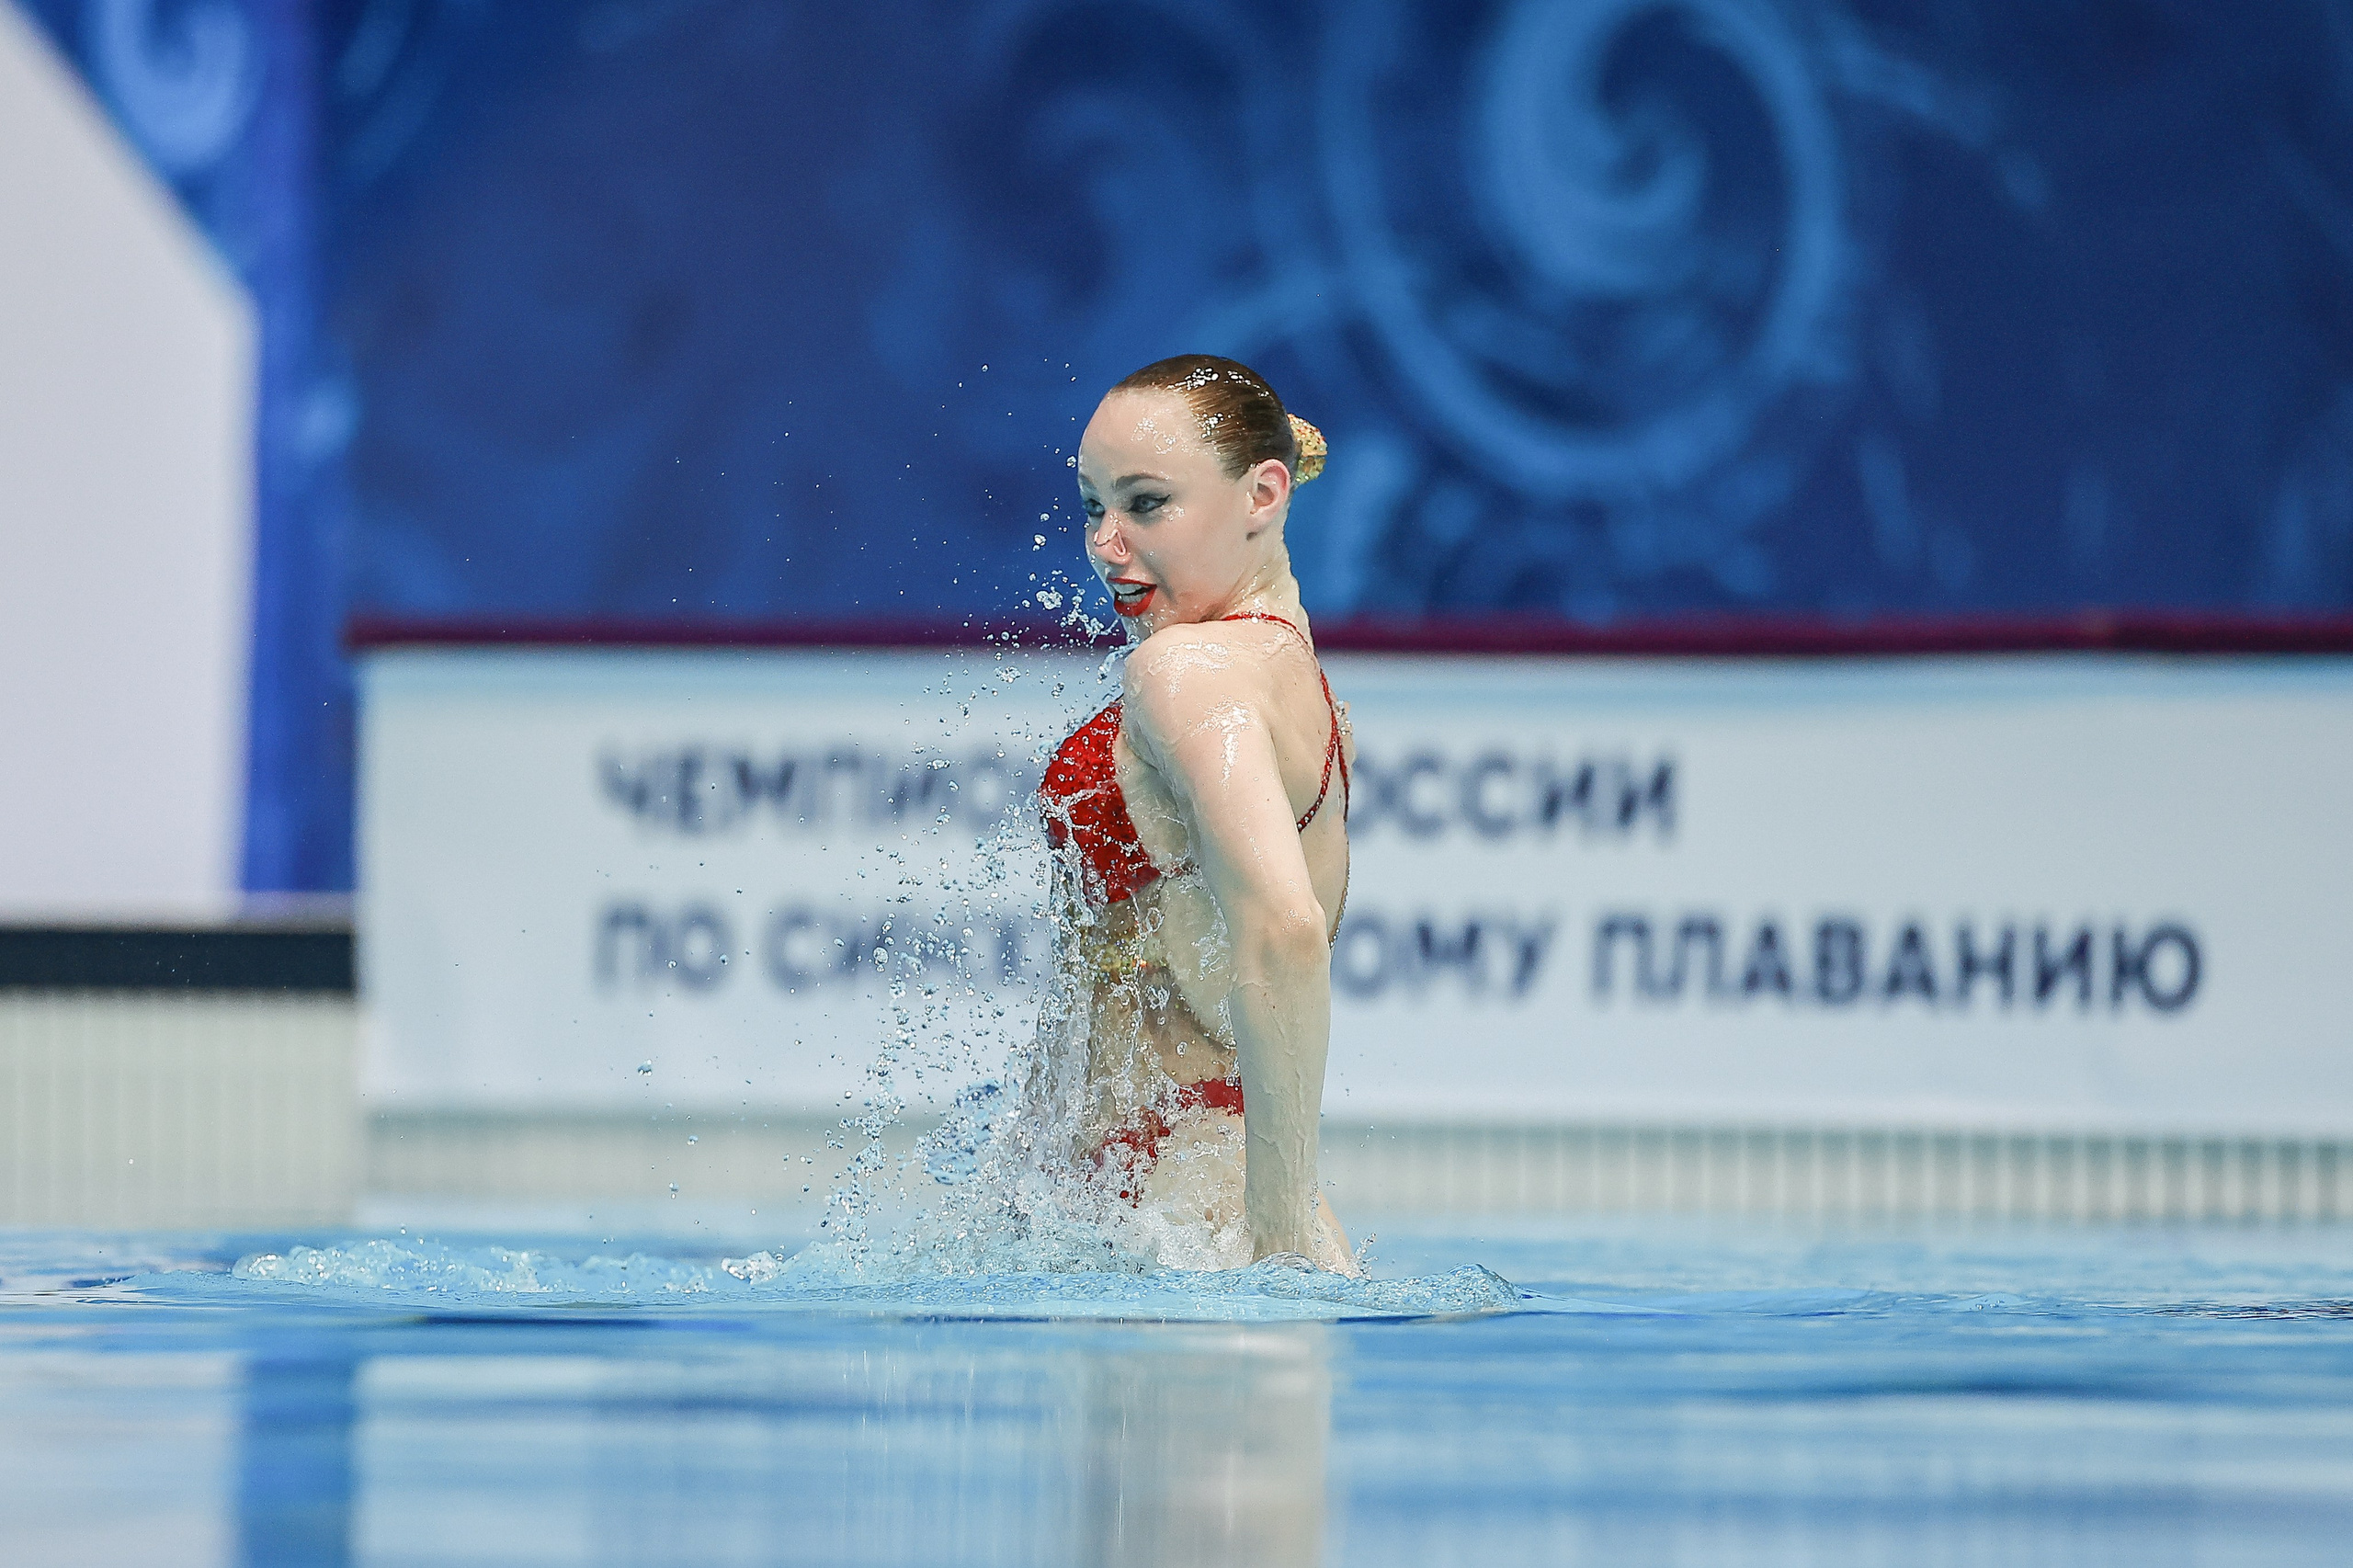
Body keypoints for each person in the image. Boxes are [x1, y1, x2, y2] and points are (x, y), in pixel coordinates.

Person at [1037, 354, 1357, 1274]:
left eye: (1144, 504)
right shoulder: (1306, 694)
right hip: (1186, 1171)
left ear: (1262, 494)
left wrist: (1279, 1231)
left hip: (1181, 1192)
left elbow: (1287, 933)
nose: (1105, 541)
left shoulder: (1184, 672)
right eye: (1093, 505)